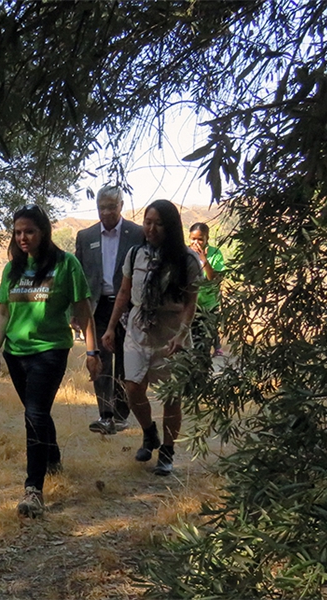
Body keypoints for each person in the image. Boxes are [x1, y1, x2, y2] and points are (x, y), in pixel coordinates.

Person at [0, 204, 101, 518]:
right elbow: (3, 312)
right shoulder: (13, 268)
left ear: (43, 232)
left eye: (29, 231)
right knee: (35, 412)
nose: (22, 238)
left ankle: (33, 490)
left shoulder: (66, 264)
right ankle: (52, 458)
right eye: (17, 232)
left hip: (50, 350)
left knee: (34, 413)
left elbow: (83, 311)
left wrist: (92, 353)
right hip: (16, 353)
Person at [101, 200, 202, 476]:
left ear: (171, 227)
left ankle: (167, 451)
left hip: (171, 332)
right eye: (147, 222)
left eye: (158, 224)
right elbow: (124, 293)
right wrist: (110, 328)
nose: (151, 229)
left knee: (172, 397)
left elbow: (191, 302)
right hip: (138, 328)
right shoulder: (135, 254)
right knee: (132, 387)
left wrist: (182, 334)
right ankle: (149, 433)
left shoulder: (186, 260)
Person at [75, 185, 145, 435]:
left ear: (121, 206)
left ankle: (121, 414)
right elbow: (78, 276)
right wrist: (75, 313)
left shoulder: (137, 234)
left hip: (128, 306)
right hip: (98, 306)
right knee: (100, 360)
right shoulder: (86, 236)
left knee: (126, 360)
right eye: (101, 208)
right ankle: (105, 415)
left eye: (111, 207)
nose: (106, 212)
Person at [188, 222, 226, 357]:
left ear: (206, 239)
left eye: (200, 239)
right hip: (190, 305)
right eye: (193, 239)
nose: (196, 242)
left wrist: (204, 261)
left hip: (208, 306)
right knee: (190, 343)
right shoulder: (185, 253)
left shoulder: (215, 254)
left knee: (204, 343)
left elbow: (214, 279)